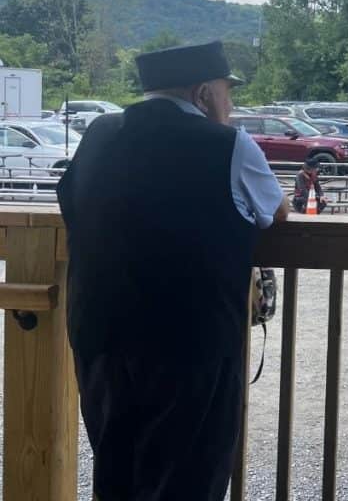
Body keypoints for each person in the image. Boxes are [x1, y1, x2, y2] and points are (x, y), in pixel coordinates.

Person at [56, 41, 288, 501]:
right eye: (227, 93)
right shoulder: (228, 145)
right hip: (191, 344)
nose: (231, 105)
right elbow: (275, 211)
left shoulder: (99, 134)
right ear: (203, 94)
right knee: (189, 477)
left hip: (100, 336)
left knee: (117, 469)